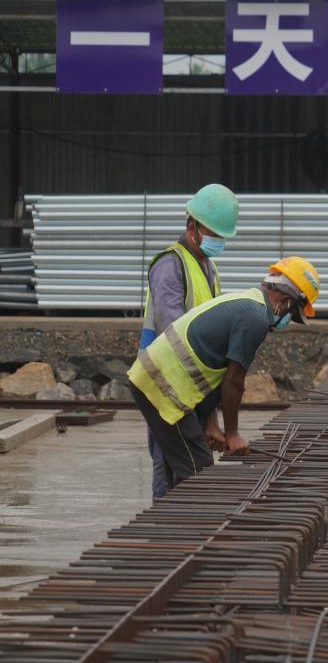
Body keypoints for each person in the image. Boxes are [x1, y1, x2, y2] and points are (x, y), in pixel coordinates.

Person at [128, 257, 320, 492]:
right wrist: (233, 434)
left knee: (186, 466)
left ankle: (174, 520)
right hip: (161, 388)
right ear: (285, 300)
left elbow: (215, 373)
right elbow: (233, 382)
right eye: (293, 314)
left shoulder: (248, 302)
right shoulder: (255, 318)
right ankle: (175, 524)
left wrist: (211, 425)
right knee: (197, 468)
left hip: (163, 385)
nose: (288, 321)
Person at [139, 183, 239, 500]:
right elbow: (176, 339)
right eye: (213, 233)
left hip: (191, 391)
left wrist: (210, 418)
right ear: (191, 225)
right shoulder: (170, 265)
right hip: (166, 390)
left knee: (192, 475)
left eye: (221, 236)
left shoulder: (209, 268)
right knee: (171, 476)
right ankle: (165, 542)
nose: (217, 241)